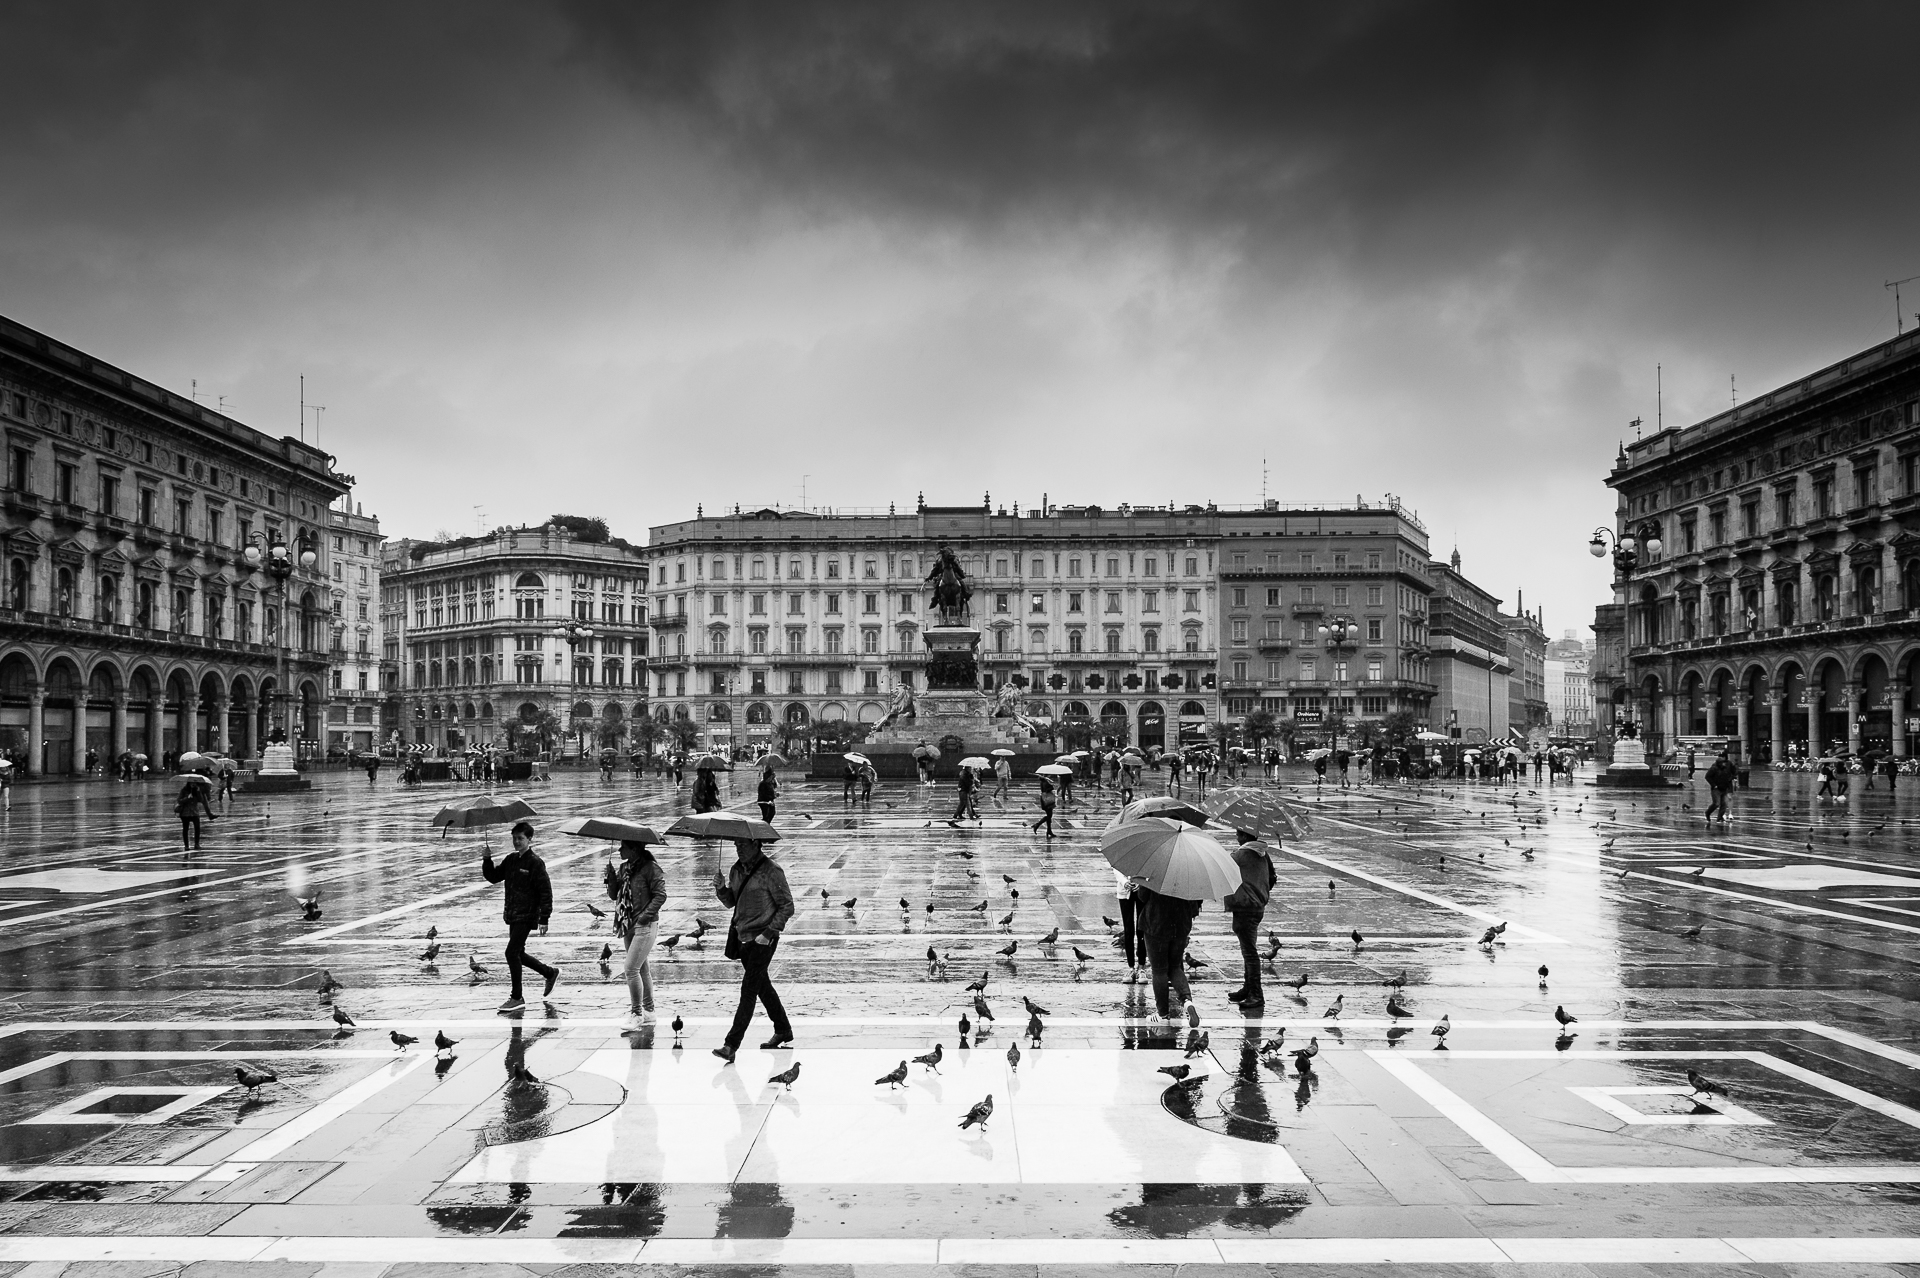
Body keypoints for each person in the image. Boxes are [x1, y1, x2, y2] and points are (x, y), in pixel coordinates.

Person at [711, 838, 795, 1063]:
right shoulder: (736, 870)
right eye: (736, 845)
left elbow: (787, 906)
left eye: (743, 846)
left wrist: (768, 933)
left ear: (756, 844)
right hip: (742, 937)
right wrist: (721, 889)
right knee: (762, 986)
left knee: (748, 991)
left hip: (763, 940)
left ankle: (731, 1044)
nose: (738, 849)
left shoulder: (772, 871)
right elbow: (731, 902)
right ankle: (783, 1029)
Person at [481, 821, 558, 1011]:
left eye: (520, 838)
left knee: (511, 952)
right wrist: (486, 859)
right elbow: (493, 877)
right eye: (514, 838)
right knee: (518, 953)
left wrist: (544, 918)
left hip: (528, 914)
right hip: (513, 914)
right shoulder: (511, 859)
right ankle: (549, 973)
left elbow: (545, 891)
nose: (516, 842)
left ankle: (517, 997)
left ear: (529, 839)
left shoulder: (535, 862)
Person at [606, 838, 667, 1023]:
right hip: (628, 924)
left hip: (645, 925)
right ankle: (649, 1010)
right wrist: (610, 879)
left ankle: (636, 1013)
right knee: (641, 969)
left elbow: (661, 895)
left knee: (630, 968)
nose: (619, 850)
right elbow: (613, 895)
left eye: (623, 847)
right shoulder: (624, 868)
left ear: (634, 849)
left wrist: (645, 916)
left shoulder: (651, 868)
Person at [1225, 830, 1277, 1009]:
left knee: (1249, 952)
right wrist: (1260, 892)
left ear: (1246, 837)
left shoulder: (1240, 855)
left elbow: (1223, 870)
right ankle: (1248, 988)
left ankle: (1256, 994)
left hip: (1244, 907)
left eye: (1239, 835)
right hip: (1257, 906)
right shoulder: (1263, 854)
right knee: (1249, 948)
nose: (1237, 838)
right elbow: (1272, 877)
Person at [1137, 883, 1200, 1025]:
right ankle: (1187, 1002)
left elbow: (1142, 896)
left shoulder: (1156, 869)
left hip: (1156, 924)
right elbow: (1195, 905)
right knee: (1175, 967)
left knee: (1159, 971)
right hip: (1181, 925)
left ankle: (1163, 1014)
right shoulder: (1190, 872)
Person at [1115, 868, 1142, 982]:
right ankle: (1131, 966)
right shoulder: (1121, 849)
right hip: (1124, 891)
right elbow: (1116, 866)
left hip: (1142, 891)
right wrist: (1124, 881)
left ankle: (1141, 967)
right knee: (1128, 929)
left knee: (1141, 928)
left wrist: (1141, 882)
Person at [175, 781, 215, 850]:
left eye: (194, 783)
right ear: (189, 783)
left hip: (195, 812)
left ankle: (197, 844)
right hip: (185, 813)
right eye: (191, 783)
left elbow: (201, 800)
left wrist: (198, 792)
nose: (193, 784)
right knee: (185, 829)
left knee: (197, 828)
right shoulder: (184, 790)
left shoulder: (197, 790)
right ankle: (186, 845)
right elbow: (179, 800)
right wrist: (187, 798)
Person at [1703, 751, 1735, 822]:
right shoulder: (1714, 768)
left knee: (1724, 804)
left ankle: (1720, 817)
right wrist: (1714, 785)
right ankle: (1708, 812)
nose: (1724, 764)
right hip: (1716, 789)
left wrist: (1731, 779)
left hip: (1724, 788)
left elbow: (1731, 774)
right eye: (1722, 763)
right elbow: (1708, 777)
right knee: (1716, 803)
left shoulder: (1726, 768)